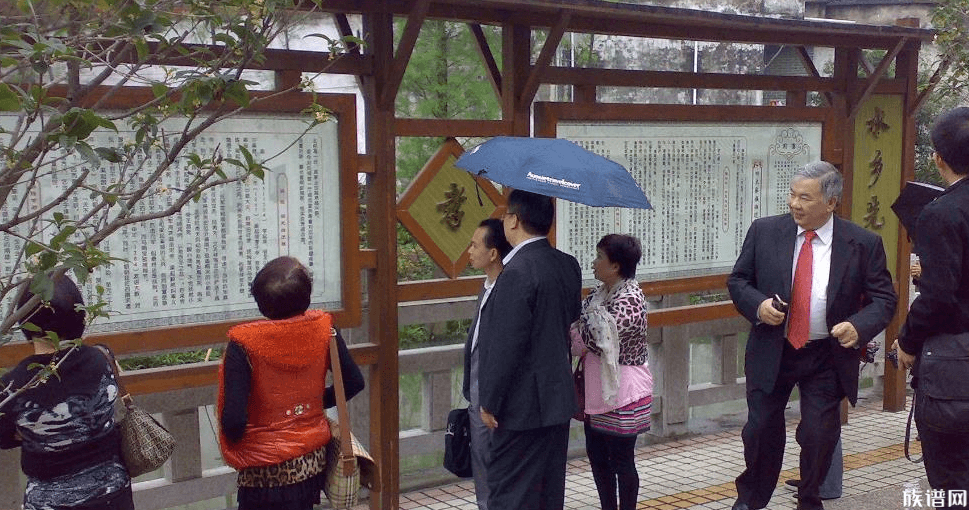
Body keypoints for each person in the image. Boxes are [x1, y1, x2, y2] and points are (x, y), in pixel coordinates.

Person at [727, 161, 897, 510]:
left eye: (805, 198)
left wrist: (858, 325)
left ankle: (810, 497)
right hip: (773, 348)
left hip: (826, 355)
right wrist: (759, 306)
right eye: (792, 195)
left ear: (831, 203)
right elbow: (738, 280)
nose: (795, 204)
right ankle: (751, 499)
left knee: (819, 434)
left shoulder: (862, 243)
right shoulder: (765, 231)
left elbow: (884, 299)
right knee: (760, 430)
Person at [218, 256, 365, 510]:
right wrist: (310, 403)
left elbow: (233, 423)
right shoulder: (326, 330)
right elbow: (354, 382)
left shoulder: (244, 345)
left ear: (262, 305)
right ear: (307, 296)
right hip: (310, 467)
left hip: (262, 476)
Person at [477, 190, 582, 510]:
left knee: (511, 494)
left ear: (514, 220)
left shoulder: (516, 273)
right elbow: (571, 317)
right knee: (548, 493)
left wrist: (489, 401)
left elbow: (506, 346)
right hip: (557, 398)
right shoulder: (568, 264)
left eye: (506, 215)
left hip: (521, 406)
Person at [0, 275, 135, 510]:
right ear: (77, 314)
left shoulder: (13, 385)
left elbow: (5, 437)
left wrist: (40, 430)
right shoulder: (101, 358)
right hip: (114, 497)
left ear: (25, 320)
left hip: (50, 503)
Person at [893, 107, 969, 509]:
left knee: (953, 479)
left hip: (955, 370)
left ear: (938, 159)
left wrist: (907, 341)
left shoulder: (942, 213)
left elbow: (939, 298)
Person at [570, 234, 653, 510]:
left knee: (622, 461)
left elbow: (598, 340)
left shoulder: (631, 300)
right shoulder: (598, 293)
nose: (593, 263)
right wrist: (581, 328)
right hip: (596, 391)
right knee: (597, 458)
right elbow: (584, 330)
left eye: (599, 257)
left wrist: (579, 328)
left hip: (623, 393)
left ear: (615, 266)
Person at [461, 218, 513, 510]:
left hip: (495, 397)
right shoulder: (486, 286)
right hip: (478, 392)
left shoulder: (507, 289)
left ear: (493, 253)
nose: (469, 251)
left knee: (499, 463)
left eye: (474, 245)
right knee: (481, 460)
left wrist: (491, 400)